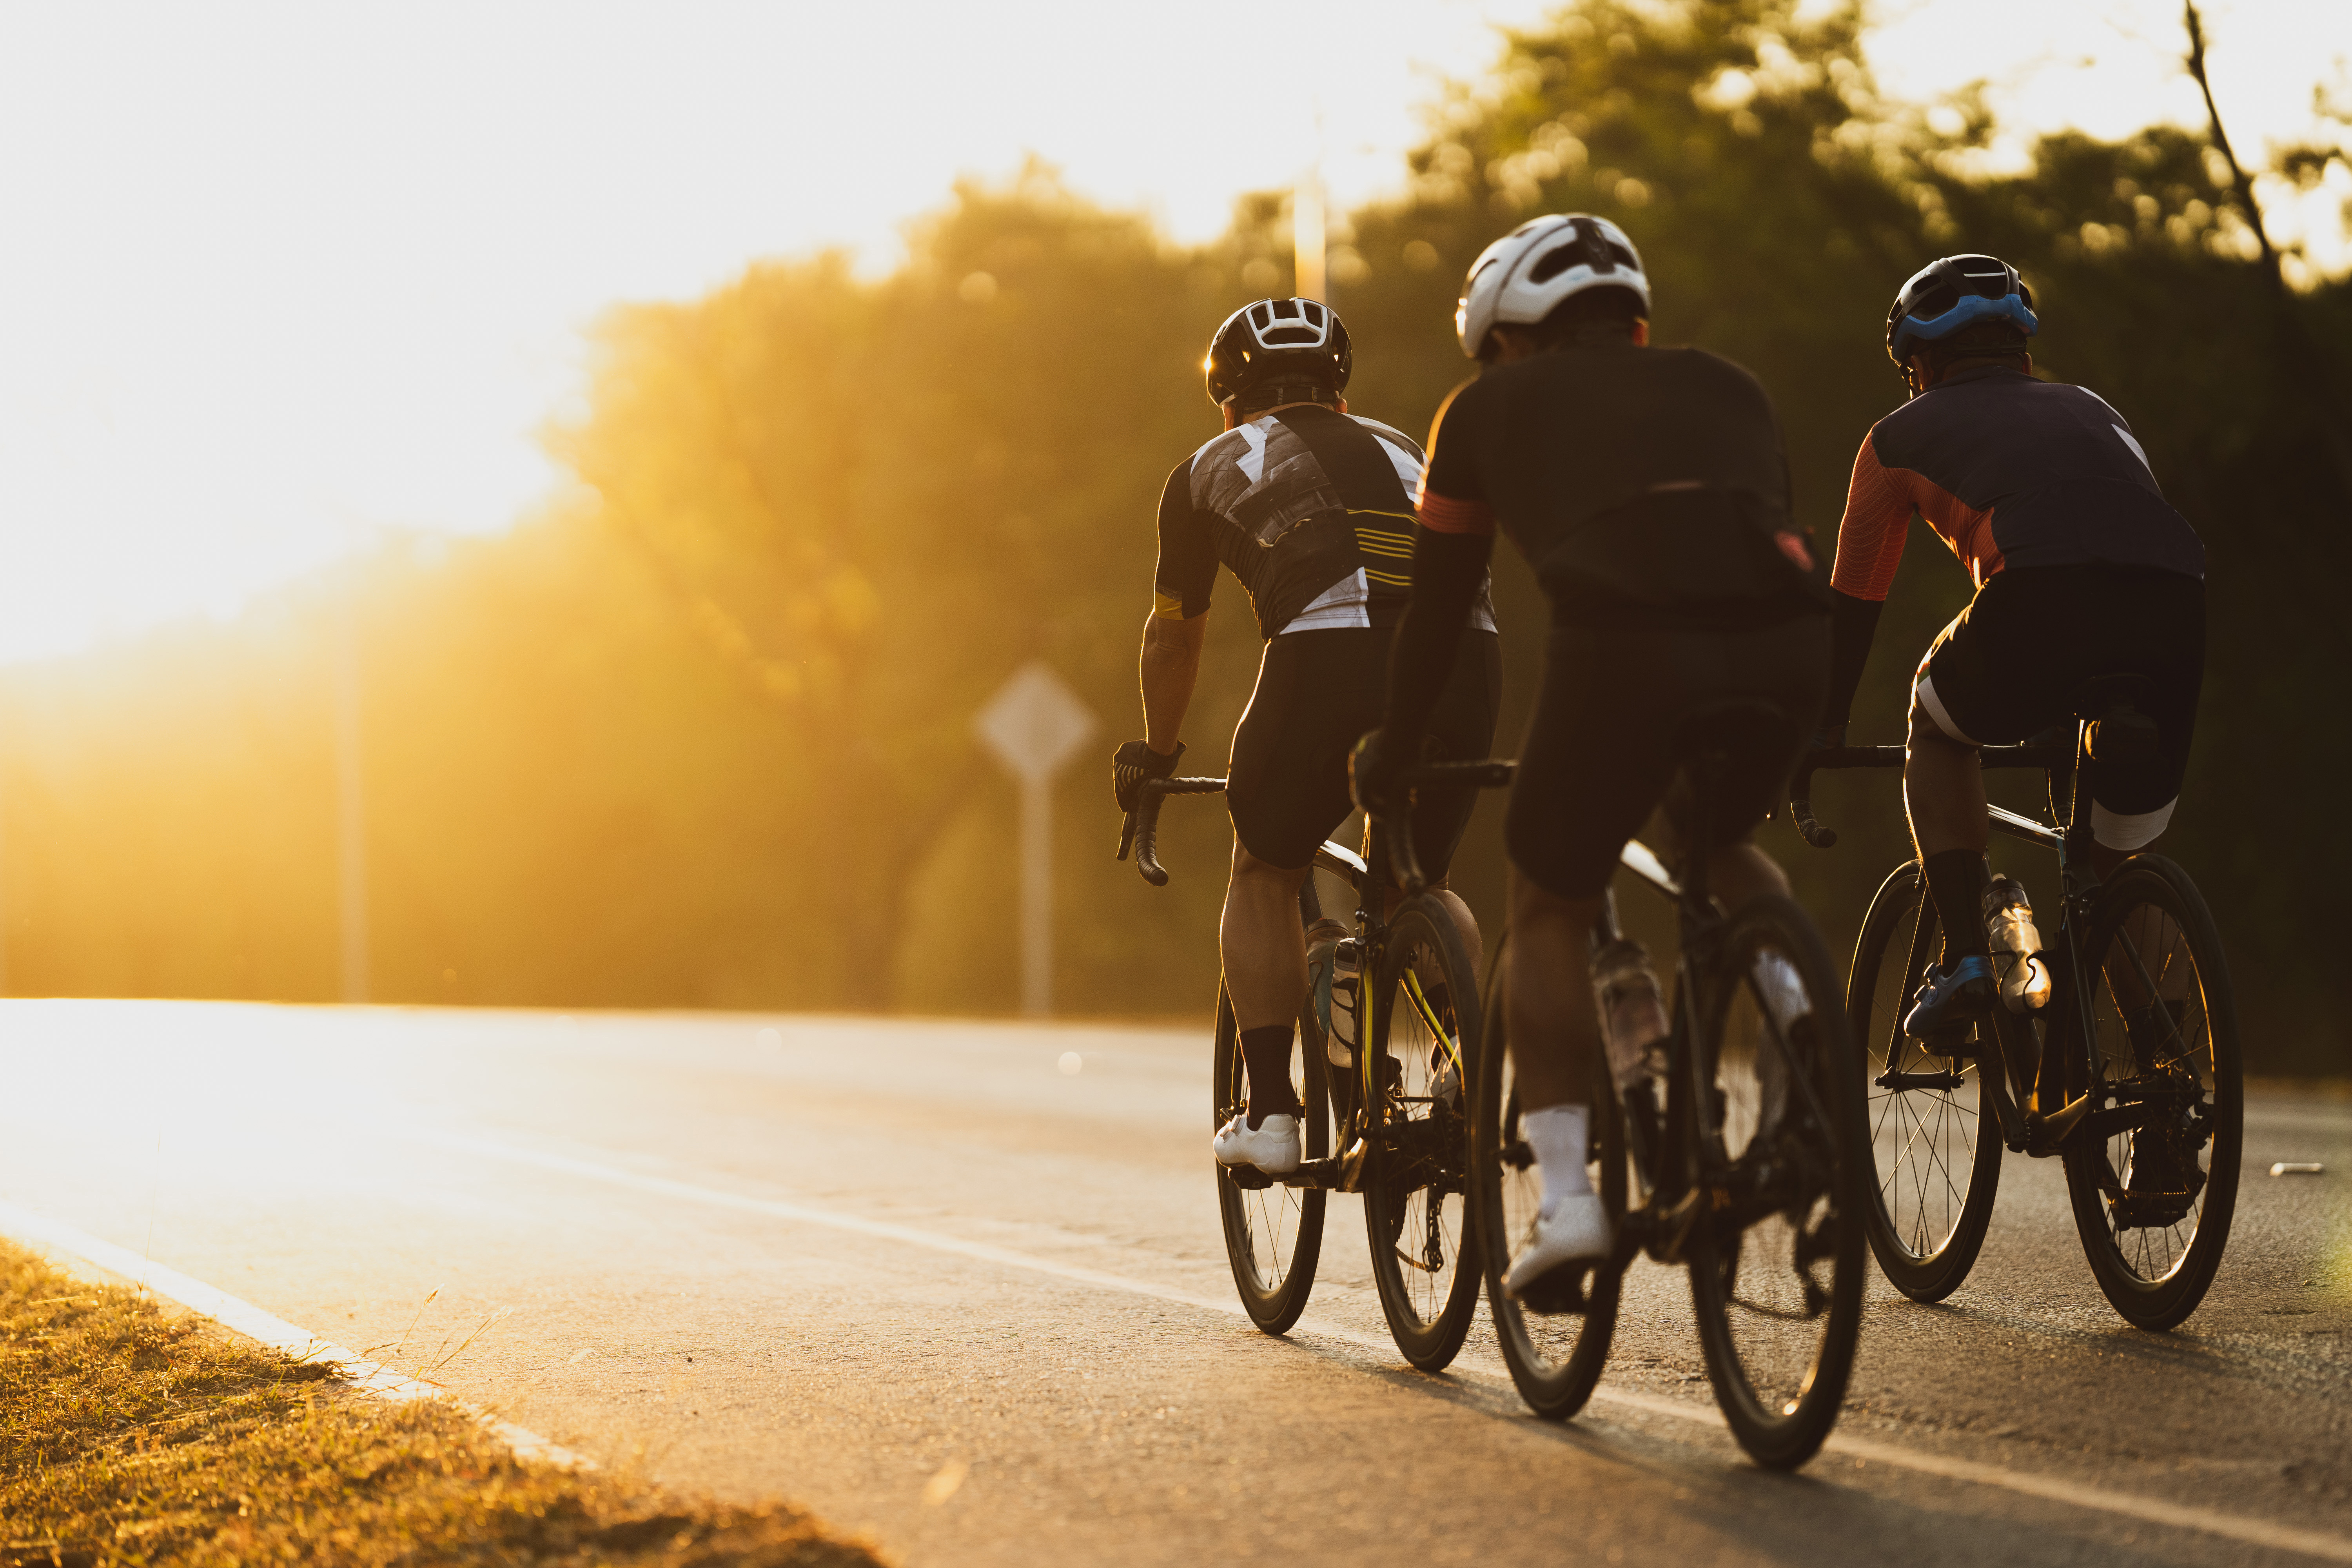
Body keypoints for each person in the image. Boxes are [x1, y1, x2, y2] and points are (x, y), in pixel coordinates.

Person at [1352, 215, 1830, 1298]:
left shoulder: (1479, 410)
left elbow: (1435, 611)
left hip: (1624, 643)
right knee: (1716, 841)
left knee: (1550, 901)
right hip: (1789, 640)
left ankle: (1567, 1204)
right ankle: (1808, 1033)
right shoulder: (1732, 385)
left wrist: (1396, 745)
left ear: (1509, 333)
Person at [1112, 297, 1501, 1176]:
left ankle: (1273, 1112)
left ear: (1227, 395)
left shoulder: (1208, 464)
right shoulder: (1410, 446)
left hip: (1330, 656)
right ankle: (1466, 1067)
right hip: (1468, 657)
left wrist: (1158, 754)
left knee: (1265, 865)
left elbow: (1173, 636)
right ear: (1340, 388)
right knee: (1418, 880)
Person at [1814, 255, 2205, 1044]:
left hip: (2040, 592)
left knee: (1937, 711)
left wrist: (1821, 731)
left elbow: (1854, 604)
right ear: (2021, 355)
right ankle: (2169, 1083)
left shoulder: (1897, 435)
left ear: (1919, 365)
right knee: (2114, 866)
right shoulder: (2097, 409)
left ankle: (1964, 958)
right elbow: (2127, 530)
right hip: (2178, 600)